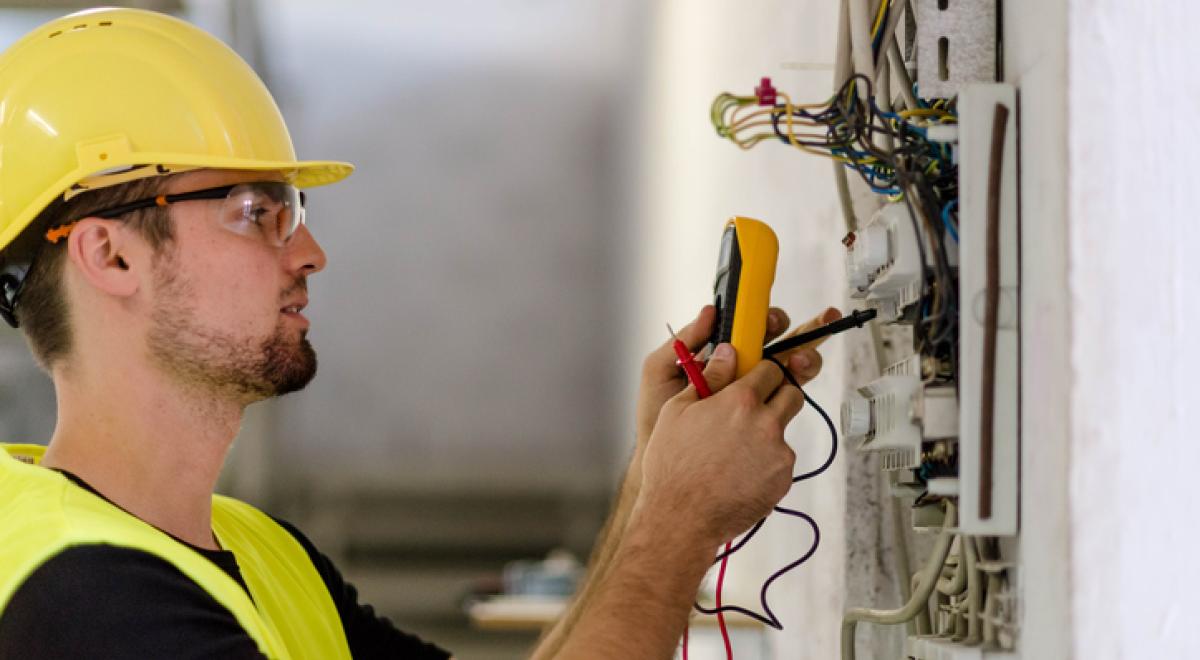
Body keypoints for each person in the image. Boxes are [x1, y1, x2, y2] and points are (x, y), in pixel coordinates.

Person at [0, 8, 837, 659]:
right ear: (109, 256)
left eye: (295, 212)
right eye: (256, 213)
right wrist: (679, 523)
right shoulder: (80, 597)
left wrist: (654, 483)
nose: (312, 253)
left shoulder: (261, 551)